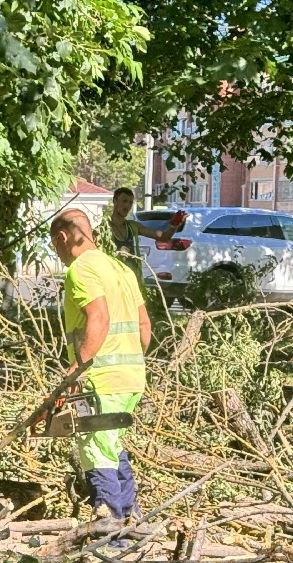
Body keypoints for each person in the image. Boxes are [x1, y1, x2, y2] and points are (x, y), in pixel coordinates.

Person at [49, 208, 152, 522]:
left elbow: (99, 318)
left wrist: (76, 370)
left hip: (101, 380)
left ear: (63, 237)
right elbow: (144, 327)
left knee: (95, 448)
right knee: (111, 444)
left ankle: (109, 532)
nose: (58, 253)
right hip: (132, 377)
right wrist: (130, 361)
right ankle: (131, 520)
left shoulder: (80, 270)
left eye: (55, 245)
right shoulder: (121, 269)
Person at [108, 186, 177, 274]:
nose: (127, 206)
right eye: (124, 201)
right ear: (115, 201)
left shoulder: (133, 226)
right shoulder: (104, 229)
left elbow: (164, 237)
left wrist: (175, 225)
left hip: (133, 278)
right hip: (113, 278)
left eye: (130, 202)